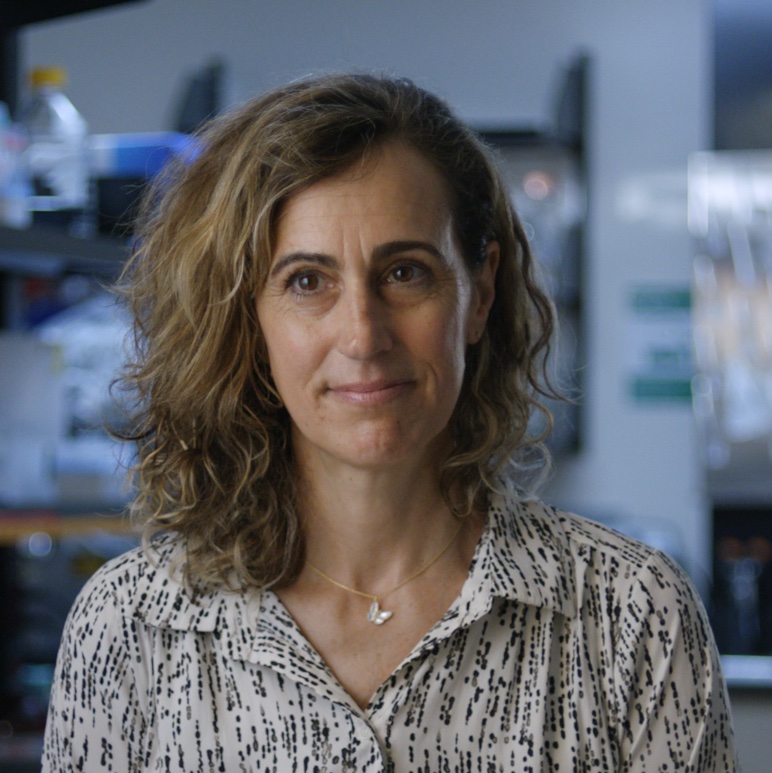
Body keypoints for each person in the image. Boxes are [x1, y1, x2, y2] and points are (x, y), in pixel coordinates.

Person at [42, 73, 737, 772]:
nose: (363, 335)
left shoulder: (629, 617)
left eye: (405, 273)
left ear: (480, 290)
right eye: (307, 282)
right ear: (248, 319)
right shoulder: (130, 625)